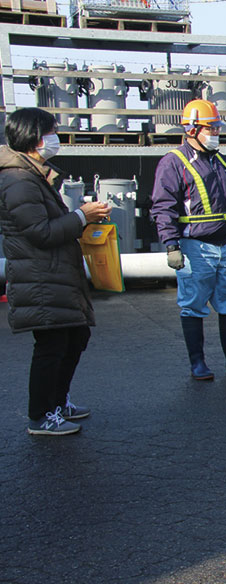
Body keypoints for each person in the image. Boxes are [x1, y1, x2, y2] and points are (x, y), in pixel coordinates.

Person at [0, 107, 112, 435]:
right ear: (35, 138)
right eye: (51, 131)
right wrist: (81, 216)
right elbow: (41, 232)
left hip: (52, 275)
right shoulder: (18, 180)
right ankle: (40, 415)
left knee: (75, 336)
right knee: (51, 345)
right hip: (40, 277)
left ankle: (57, 402)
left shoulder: (31, 174)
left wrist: (83, 218)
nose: (55, 137)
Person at [150, 98, 226, 381]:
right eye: (210, 128)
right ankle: (198, 363)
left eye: (215, 127)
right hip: (194, 248)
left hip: (224, 245)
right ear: (191, 130)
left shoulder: (218, 160)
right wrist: (171, 245)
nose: (215, 133)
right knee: (193, 304)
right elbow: (163, 207)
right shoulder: (173, 163)